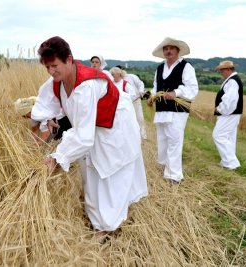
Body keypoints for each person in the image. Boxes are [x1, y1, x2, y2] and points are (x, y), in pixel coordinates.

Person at [31, 36, 148, 240]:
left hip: (115, 125)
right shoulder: (56, 81)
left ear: (69, 59)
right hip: (93, 126)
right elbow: (44, 104)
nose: (51, 71)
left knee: (109, 171)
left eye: (55, 65)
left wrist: (57, 158)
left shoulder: (86, 85)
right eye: (47, 67)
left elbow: (84, 137)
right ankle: (98, 219)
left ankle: (106, 227)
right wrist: (42, 118)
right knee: (90, 169)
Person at [147, 37, 198, 183]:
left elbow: (192, 88)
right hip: (162, 109)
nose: (168, 51)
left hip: (177, 110)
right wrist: (152, 96)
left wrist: (176, 93)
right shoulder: (160, 68)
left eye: (171, 48)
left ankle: (174, 175)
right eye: (165, 49)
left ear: (177, 51)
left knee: (174, 141)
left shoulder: (186, 67)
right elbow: (156, 87)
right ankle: (165, 167)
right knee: (162, 139)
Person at [212, 60, 243, 170]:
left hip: (228, 114)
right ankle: (227, 162)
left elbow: (230, 100)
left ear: (229, 69)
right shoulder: (232, 80)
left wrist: (219, 109)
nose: (221, 73)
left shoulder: (232, 82)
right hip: (232, 114)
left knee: (218, 135)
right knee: (229, 138)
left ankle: (231, 163)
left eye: (222, 70)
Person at [122, 68, 148, 139]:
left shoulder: (131, 76)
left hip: (136, 100)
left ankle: (143, 135)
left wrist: (141, 91)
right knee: (127, 119)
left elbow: (140, 83)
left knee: (139, 117)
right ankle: (131, 136)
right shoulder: (116, 79)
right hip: (125, 103)